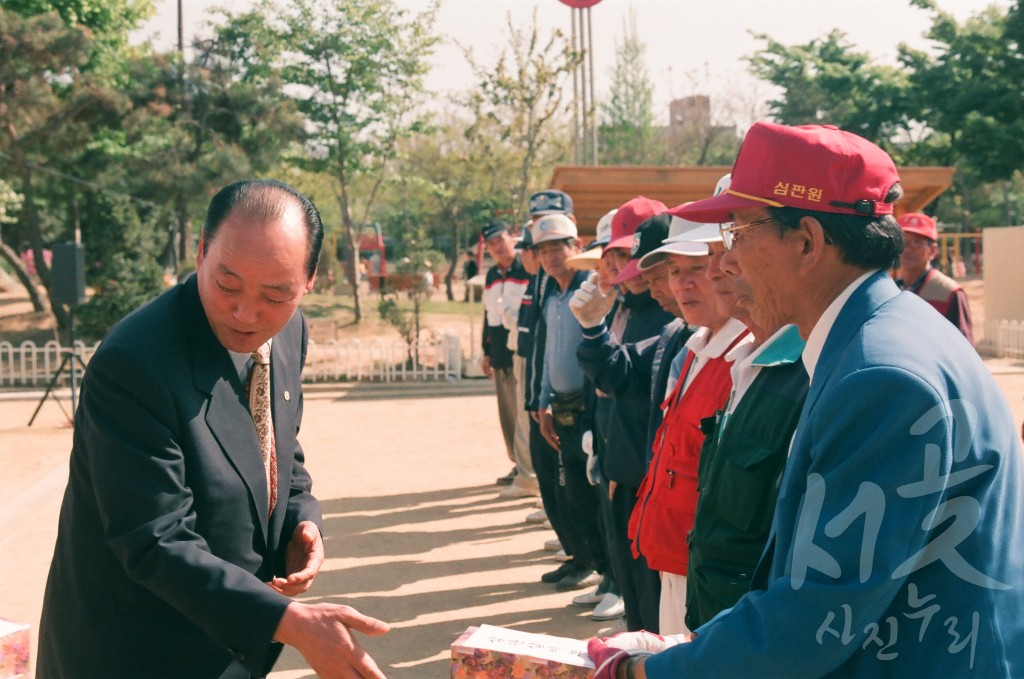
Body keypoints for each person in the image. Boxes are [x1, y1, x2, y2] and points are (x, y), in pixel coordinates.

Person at [591, 122, 1024, 678]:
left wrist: (646, 672)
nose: (724, 263)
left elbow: (819, 612)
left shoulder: (880, 377)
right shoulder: (878, 337)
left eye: (739, 233)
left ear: (808, 242)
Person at [37, 179, 389, 679]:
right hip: (137, 650)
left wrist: (300, 520)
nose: (246, 313)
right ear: (201, 252)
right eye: (227, 285)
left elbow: (278, 451)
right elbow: (155, 539)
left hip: (230, 643)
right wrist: (292, 622)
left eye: (275, 294)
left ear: (309, 281)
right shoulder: (135, 364)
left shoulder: (290, 332)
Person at [533, 212, 607, 593]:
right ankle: (580, 558)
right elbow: (549, 355)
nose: (550, 257)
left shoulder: (590, 290)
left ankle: (601, 567)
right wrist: (543, 403)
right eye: (542, 251)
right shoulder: (553, 297)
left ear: (576, 248)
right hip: (559, 407)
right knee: (570, 492)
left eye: (557, 248)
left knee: (591, 493)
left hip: (587, 407)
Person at [479, 218, 532, 489]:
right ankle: (517, 464)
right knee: (508, 415)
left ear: (512, 237)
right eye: (491, 244)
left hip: (520, 351)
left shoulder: (527, 267)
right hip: (499, 353)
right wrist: (485, 350)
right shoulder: (491, 276)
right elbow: (488, 316)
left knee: (525, 414)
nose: (497, 247)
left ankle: (529, 470)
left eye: (500, 240)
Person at [895, 212, 974, 343]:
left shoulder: (949, 293)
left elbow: (965, 348)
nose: (908, 249)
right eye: (903, 242)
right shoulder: (891, 289)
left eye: (917, 242)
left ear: (933, 251)